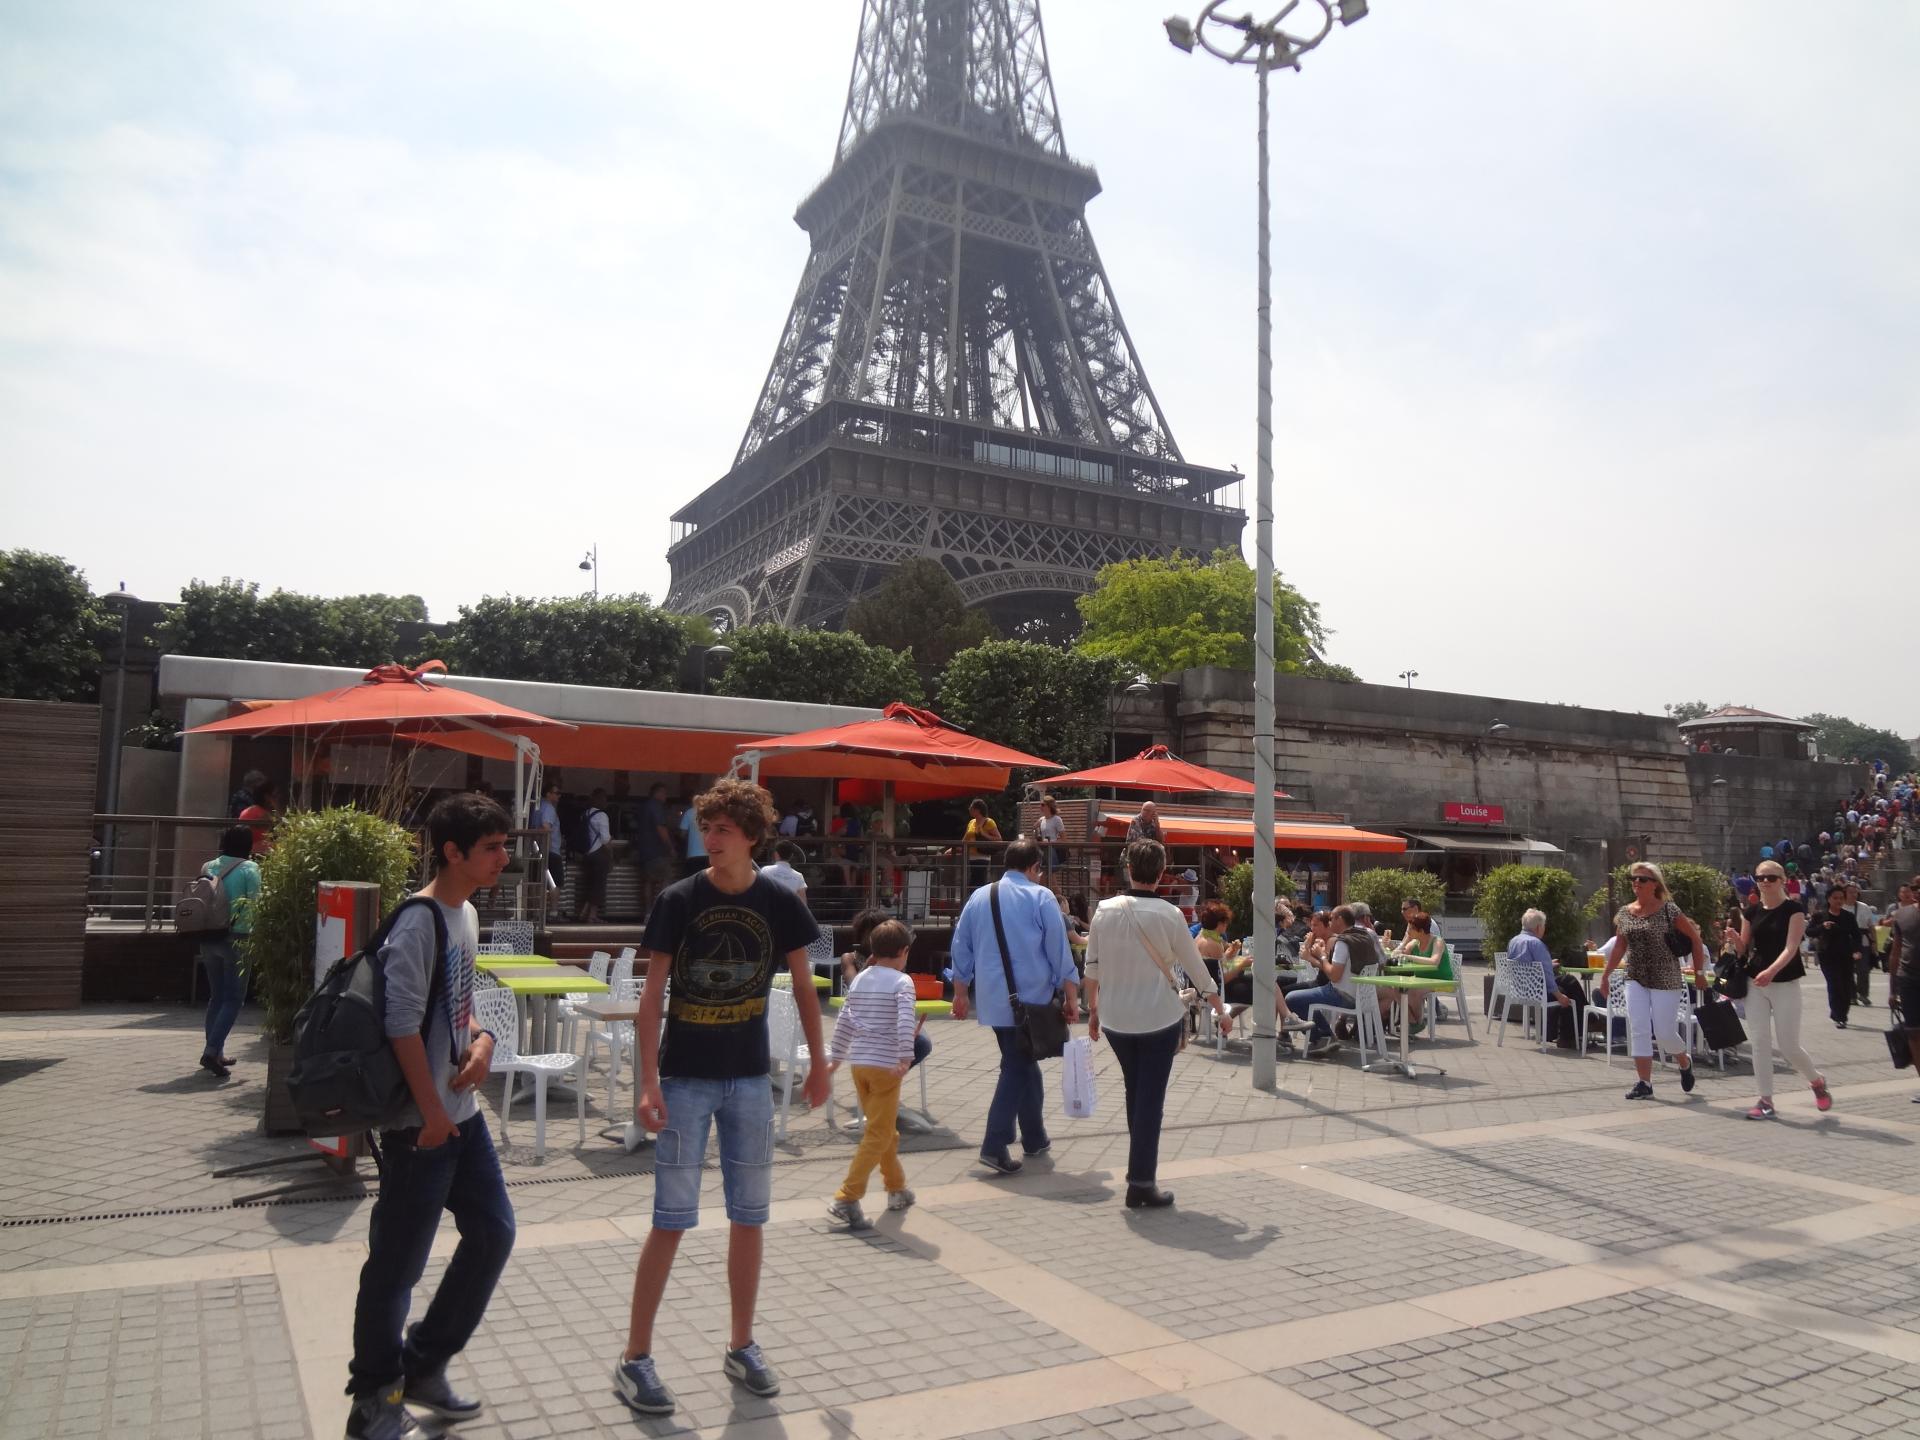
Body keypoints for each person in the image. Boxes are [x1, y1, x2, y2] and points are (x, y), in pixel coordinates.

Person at [616, 779, 828, 1418]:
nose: (710, 840)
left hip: (749, 1083)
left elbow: (805, 986)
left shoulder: (778, 901)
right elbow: (651, 996)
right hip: (684, 1080)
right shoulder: (678, 900)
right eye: (706, 828)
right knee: (670, 1221)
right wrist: (647, 1081)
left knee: (749, 1216)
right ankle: (635, 1358)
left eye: (723, 831)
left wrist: (820, 1064)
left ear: (752, 837)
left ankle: (742, 1343)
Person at [344, 793, 516, 1440]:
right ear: (453, 852)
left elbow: (457, 1006)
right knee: (396, 1267)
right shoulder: (421, 922)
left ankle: (423, 1365)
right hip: (422, 1126)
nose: (504, 858)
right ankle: (372, 1400)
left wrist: (482, 1042)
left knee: (494, 1232)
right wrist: (431, 1115)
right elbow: (399, 1026)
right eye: (491, 847)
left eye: (504, 845)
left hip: (459, 1116)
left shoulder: (465, 913)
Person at [1086, 839, 1228, 1209]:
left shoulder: (1104, 911)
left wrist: (1092, 1008)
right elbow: (1197, 970)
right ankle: (1141, 1182)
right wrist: (1220, 1008)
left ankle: (1140, 1172)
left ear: (1128, 868)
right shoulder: (1169, 915)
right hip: (1158, 1018)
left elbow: (1092, 967)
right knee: (1150, 1100)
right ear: (1162, 873)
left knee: (1137, 1095)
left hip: (1116, 1018)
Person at [950, 839, 1080, 1175]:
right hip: (1031, 1000)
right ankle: (995, 1145)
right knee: (1018, 1066)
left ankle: (1035, 1137)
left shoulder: (980, 896)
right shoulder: (1040, 896)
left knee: (1022, 1060)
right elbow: (1058, 949)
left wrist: (960, 991)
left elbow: (960, 945)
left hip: (993, 999)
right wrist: (1071, 993)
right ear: (1034, 866)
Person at [825, 919, 920, 1230]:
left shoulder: (862, 978)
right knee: (878, 1134)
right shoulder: (902, 982)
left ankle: (896, 1188)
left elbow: (845, 1019)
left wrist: (836, 1056)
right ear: (904, 951)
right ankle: (847, 1196)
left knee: (885, 1131)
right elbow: (906, 1021)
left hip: (859, 1065)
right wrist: (906, 1056)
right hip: (886, 1067)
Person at [1600, 863, 1707, 1102]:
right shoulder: (1626, 912)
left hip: (1666, 976)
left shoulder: (1669, 910)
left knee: (1664, 1032)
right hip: (1635, 976)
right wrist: (1606, 975)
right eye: (1634, 879)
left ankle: (1683, 1060)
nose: (1636, 882)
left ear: (1655, 884)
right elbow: (1620, 945)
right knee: (1638, 1028)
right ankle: (1644, 1083)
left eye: (1643, 879)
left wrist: (1699, 972)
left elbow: (1695, 940)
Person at [1739, 859, 1832, 1120]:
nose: (1765, 882)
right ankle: (1765, 1099)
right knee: (1759, 1042)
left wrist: (1772, 971)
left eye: (1771, 877)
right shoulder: (1750, 911)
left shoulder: (1794, 909)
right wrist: (1734, 941)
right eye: (1761, 877)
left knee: (1789, 1045)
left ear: (1782, 881)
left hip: (1784, 981)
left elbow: (1791, 948)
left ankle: (1816, 1081)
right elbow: (1743, 948)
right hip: (1754, 982)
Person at [195, 824, 260, 1079]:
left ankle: (216, 1051)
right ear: (248, 845)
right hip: (238, 937)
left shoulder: (208, 866)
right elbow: (255, 903)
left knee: (217, 997)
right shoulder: (249, 869)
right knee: (234, 999)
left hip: (208, 935)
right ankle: (211, 1052)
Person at [1285, 905, 1369, 1057]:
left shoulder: (1343, 942)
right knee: (1305, 998)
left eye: (1331, 919)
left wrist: (1322, 956)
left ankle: (1324, 1037)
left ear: (1340, 920)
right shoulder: (1364, 938)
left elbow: (1334, 976)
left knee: (1291, 998)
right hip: (1363, 996)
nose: (1329, 923)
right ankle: (1325, 1036)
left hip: (1341, 994)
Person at [1504, 910, 1575, 1046]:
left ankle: (1554, 1032)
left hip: (1519, 988)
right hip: (1536, 992)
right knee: (1568, 988)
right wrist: (1559, 996)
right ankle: (1571, 1034)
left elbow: (1528, 965)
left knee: (1568, 980)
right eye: (1543, 926)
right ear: (1538, 927)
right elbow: (1548, 977)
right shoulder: (1536, 944)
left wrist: (1548, 964)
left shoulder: (1514, 941)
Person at [1807, 885, 1865, 1028]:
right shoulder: (1820, 916)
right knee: (1835, 985)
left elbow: (1857, 935)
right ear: (1828, 899)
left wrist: (1857, 950)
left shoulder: (1848, 917)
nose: (1838, 901)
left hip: (1846, 956)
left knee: (1846, 986)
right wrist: (1822, 927)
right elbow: (1810, 931)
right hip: (1827, 956)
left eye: (1841, 898)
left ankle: (1841, 1013)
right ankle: (1839, 1016)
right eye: (1835, 898)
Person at [1886, 883, 1920, 1080]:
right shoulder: (1901, 915)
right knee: (1914, 1033)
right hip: (1908, 979)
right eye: (1916, 887)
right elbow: (1895, 952)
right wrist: (1892, 990)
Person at [636, 782, 677, 914]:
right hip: (658, 851)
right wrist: (670, 847)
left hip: (644, 852)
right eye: (664, 793)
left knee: (648, 881)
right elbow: (661, 828)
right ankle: (659, 911)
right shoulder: (656, 807)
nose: (666, 796)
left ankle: (648, 912)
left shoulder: (644, 807)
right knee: (666, 879)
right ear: (658, 793)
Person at [578, 789, 612, 925]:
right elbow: (605, 839)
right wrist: (611, 853)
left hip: (586, 854)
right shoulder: (602, 815)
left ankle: (583, 913)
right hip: (599, 854)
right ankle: (592, 916)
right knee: (598, 885)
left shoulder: (585, 814)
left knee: (589, 884)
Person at [959, 799, 1002, 892]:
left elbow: (999, 839)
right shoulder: (971, 822)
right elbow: (965, 839)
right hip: (971, 856)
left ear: (977, 810)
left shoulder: (989, 822)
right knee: (973, 881)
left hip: (983, 856)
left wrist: (984, 834)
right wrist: (955, 849)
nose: (969, 809)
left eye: (971, 807)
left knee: (978, 881)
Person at [529, 782, 564, 896]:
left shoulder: (537, 807)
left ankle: (534, 911)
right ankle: (553, 912)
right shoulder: (549, 808)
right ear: (548, 794)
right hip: (550, 850)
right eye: (557, 793)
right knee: (555, 883)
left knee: (536, 881)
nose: (559, 796)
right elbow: (546, 826)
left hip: (537, 850)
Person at [1847, 882, 1879, 1007]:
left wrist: (1874, 942)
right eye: (1850, 892)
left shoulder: (1864, 907)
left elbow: (1871, 926)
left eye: (1855, 892)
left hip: (1863, 941)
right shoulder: (1841, 907)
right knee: (1848, 970)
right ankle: (1852, 995)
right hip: (1846, 942)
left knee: (1863, 970)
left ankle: (1863, 994)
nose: (1853, 895)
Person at [238, 778, 278, 856]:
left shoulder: (249, 810)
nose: (277, 799)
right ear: (267, 797)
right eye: (275, 796)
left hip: (246, 852)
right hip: (259, 854)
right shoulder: (262, 815)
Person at [678, 796, 707, 880]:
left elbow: (682, 834)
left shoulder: (689, 813)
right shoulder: (709, 814)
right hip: (708, 854)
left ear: (693, 803)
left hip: (692, 854)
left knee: (692, 880)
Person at [1035, 795, 1064, 875]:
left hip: (1051, 850)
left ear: (1049, 806)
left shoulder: (1056, 819)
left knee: (1048, 875)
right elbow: (1036, 834)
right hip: (1042, 850)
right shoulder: (1041, 820)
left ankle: (1054, 888)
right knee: (1046, 875)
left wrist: (1050, 842)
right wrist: (1035, 829)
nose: (1040, 806)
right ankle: (1054, 888)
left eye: (1043, 805)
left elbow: (1064, 838)